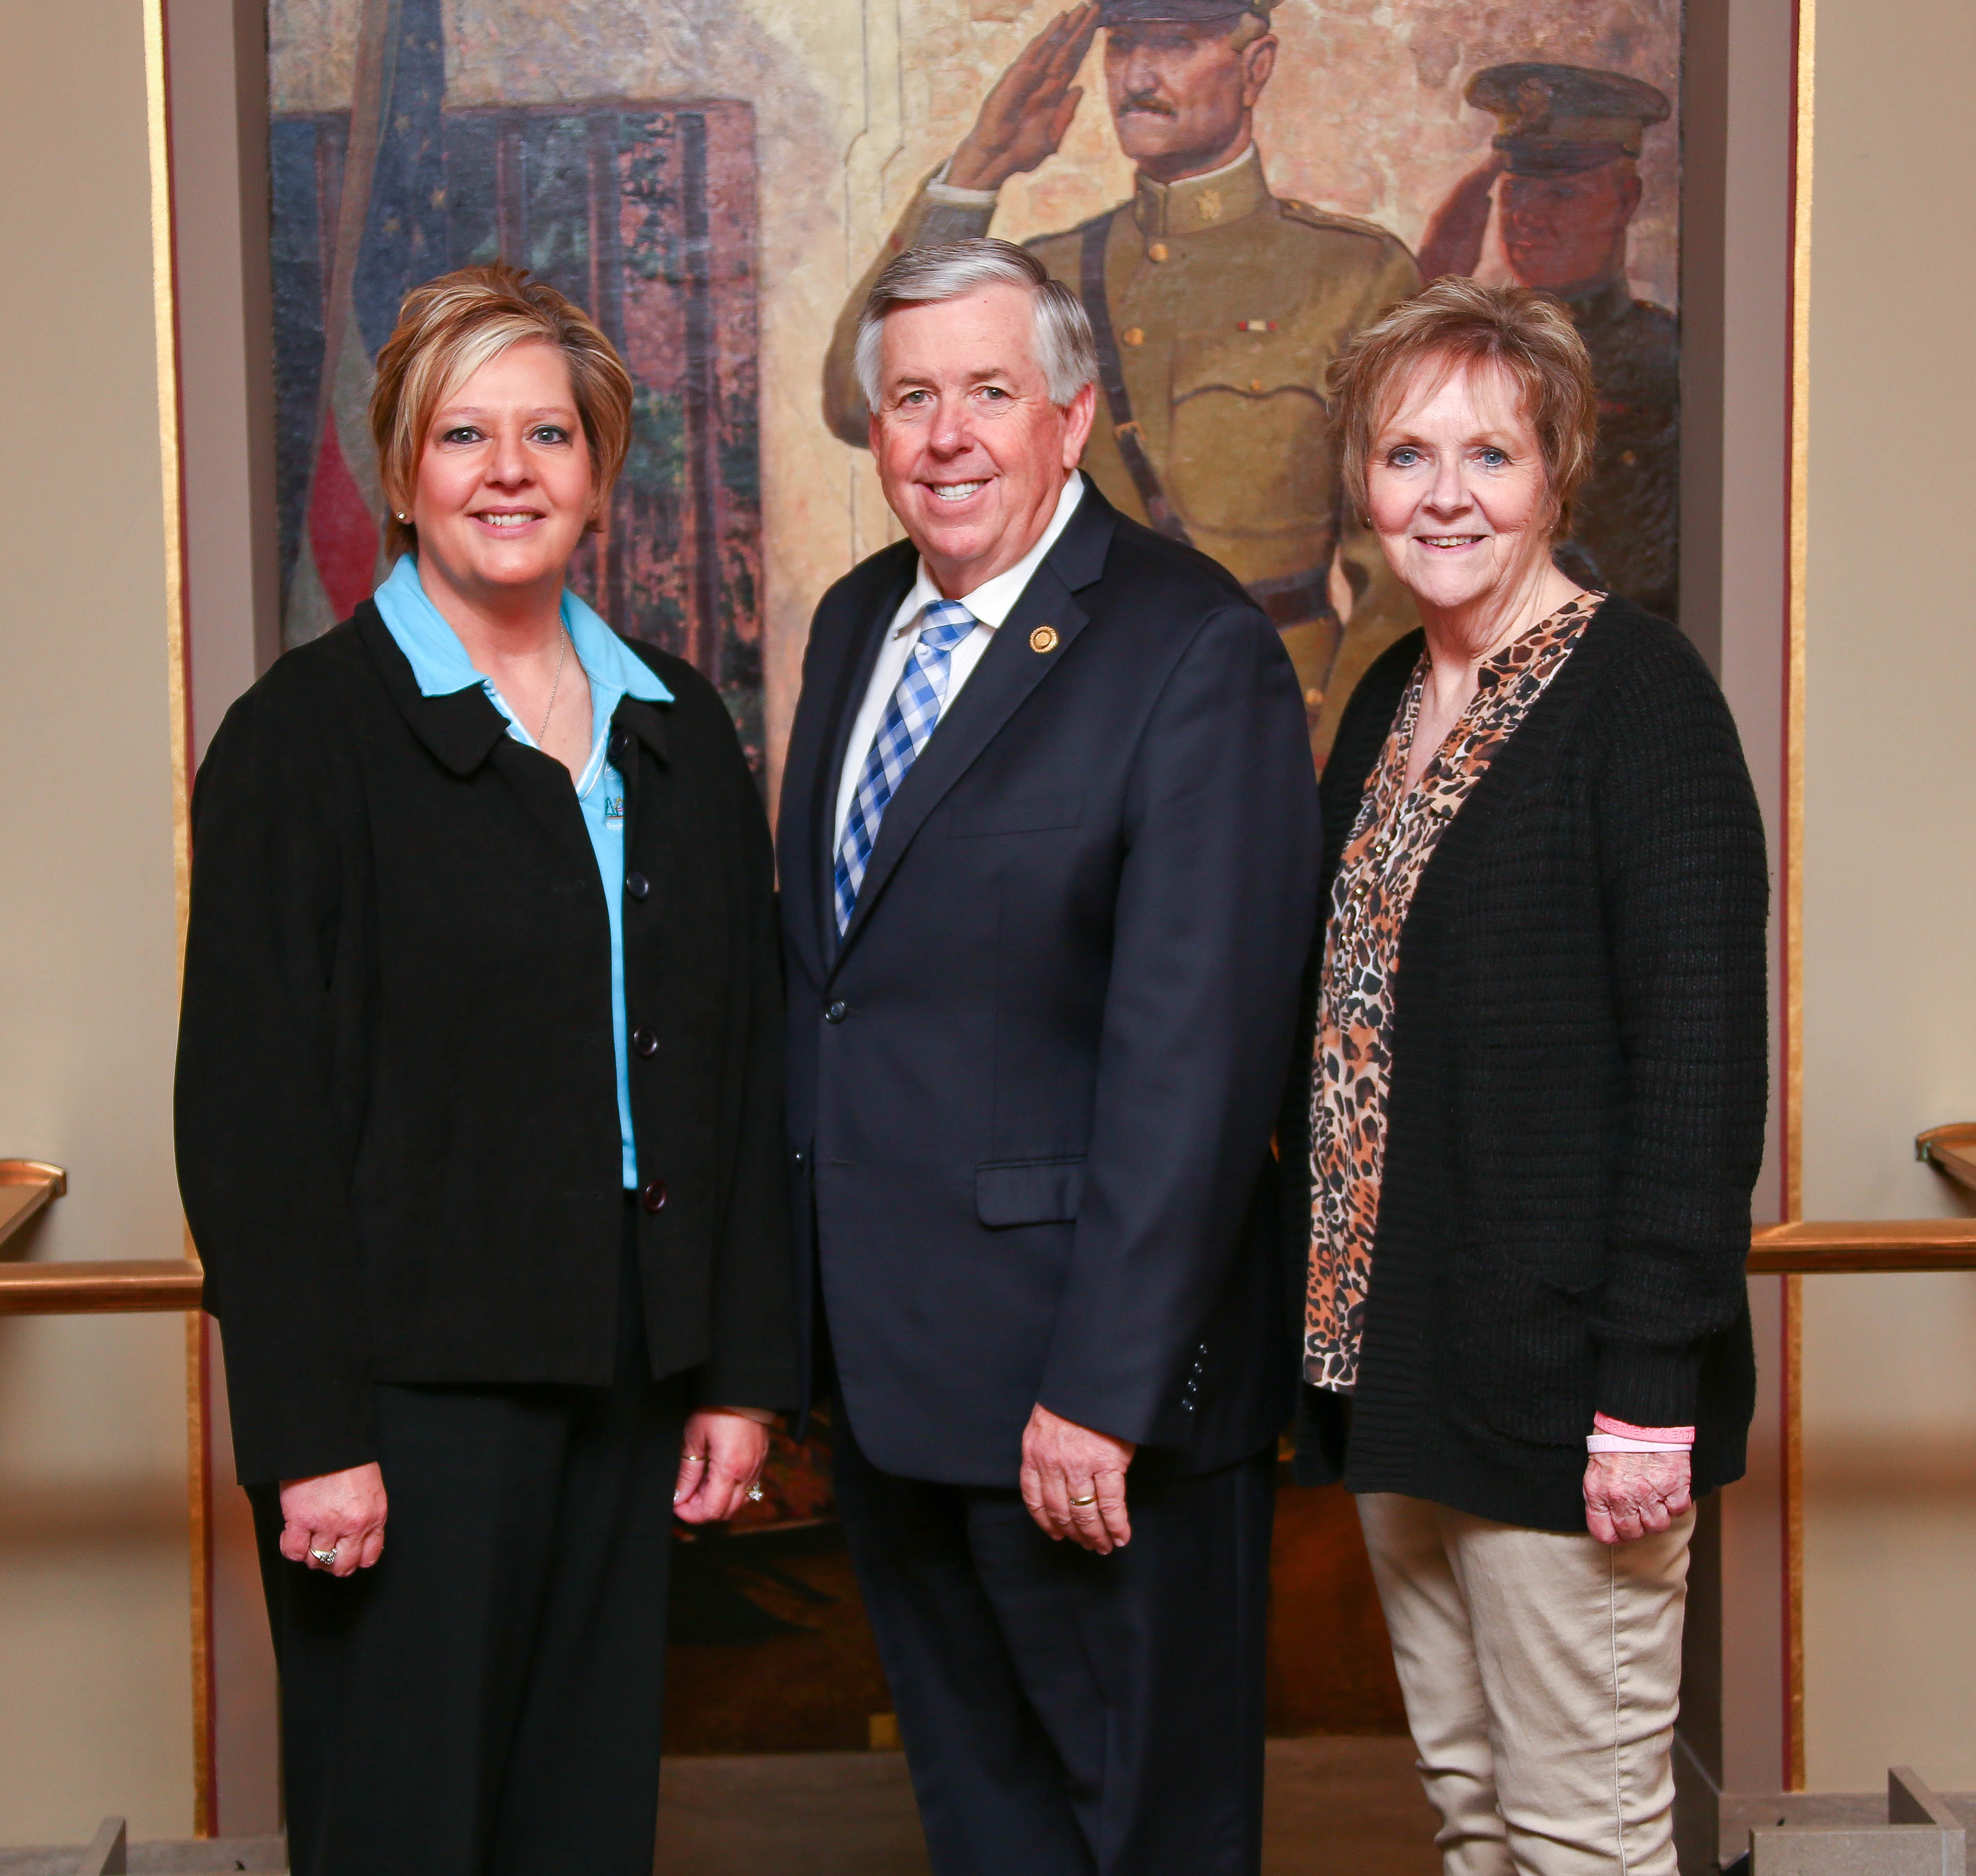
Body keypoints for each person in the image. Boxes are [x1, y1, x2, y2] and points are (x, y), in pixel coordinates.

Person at [175, 265, 793, 1876]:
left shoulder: (676, 734)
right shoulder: (305, 740)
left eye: (547, 434)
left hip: (628, 1379)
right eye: (464, 434)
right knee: (407, 1834)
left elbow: (740, 1073)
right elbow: (251, 1119)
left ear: (597, 472)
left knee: (581, 1835)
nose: (507, 469)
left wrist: (735, 1370)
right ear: (401, 471)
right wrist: (311, 1427)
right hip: (401, 1408)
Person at [781, 238, 1319, 1874]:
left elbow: (1201, 1060)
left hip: (1083, 1402)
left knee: (1139, 1832)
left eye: (989, 394)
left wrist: (1101, 1389)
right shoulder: (858, 616)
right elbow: (836, 991)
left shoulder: (1187, 648)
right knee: (985, 1819)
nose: (945, 436)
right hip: (891, 1378)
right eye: (910, 398)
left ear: (1072, 416)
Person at [1279, 278, 1765, 1875]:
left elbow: (1697, 1079)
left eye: (1489, 455)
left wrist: (1645, 1394)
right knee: (1477, 1821)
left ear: (1557, 472)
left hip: (1568, 1393)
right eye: (1407, 453)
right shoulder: (1385, 706)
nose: (1446, 495)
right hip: (1401, 1367)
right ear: (1361, 479)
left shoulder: (1641, 703)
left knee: (1582, 1837)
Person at [820, 0, 1420, 760]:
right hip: (1068, 724)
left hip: (1269, 726)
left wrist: (1339, 781)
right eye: (1124, 44)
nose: (1138, 73)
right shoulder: (1054, 274)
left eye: (1174, 43)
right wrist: (979, 166)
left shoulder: (1353, 277)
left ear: (1255, 67)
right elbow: (855, 398)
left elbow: (1399, 572)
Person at [1417, 62, 1680, 620]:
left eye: (1561, 193)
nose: (1527, 217)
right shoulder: (1467, 356)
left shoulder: (1667, 360)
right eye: (1515, 191)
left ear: (1626, 200)